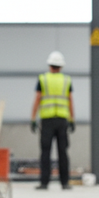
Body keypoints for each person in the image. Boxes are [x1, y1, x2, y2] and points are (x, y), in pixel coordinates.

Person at [31, 51, 75, 190]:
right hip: (62, 120)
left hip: (47, 120)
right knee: (63, 152)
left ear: (49, 65)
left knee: (45, 152)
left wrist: (33, 118)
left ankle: (44, 183)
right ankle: (65, 183)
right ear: (61, 66)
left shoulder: (43, 79)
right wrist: (72, 119)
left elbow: (37, 99)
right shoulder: (66, 80)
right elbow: (70, 100)